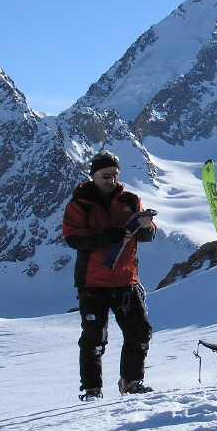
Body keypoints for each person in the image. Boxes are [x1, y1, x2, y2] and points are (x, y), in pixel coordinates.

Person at [63, 151, 157, 400]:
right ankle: (92, 390)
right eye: (105, 176)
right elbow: (73, 238)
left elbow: (146, 236)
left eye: (115, 175)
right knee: (94, 338)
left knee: (139, 332)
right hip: (93, 282)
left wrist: (147, 227)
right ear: (93, 175)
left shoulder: (130, 200)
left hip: (126, 280)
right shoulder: (80, 203)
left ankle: (131, 382)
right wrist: (111, 235)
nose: (111, 180)